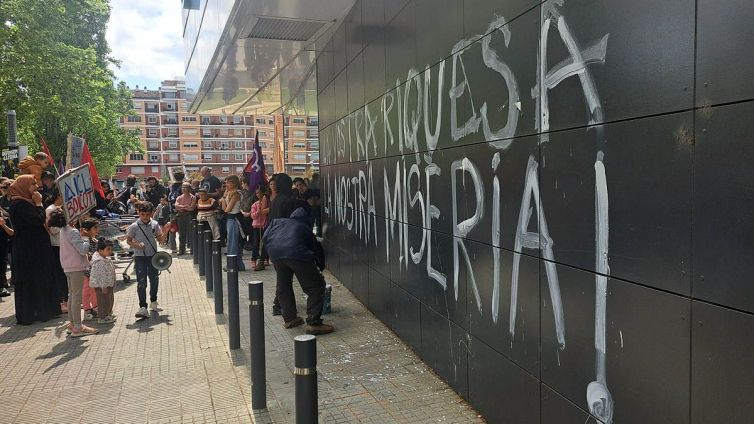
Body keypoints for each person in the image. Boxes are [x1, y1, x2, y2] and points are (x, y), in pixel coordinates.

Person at [264, 204, 332, 335]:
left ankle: (290, 319)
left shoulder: (277, 222)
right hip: (296, 254)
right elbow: (316, 249)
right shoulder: (304, 227)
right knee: (315, 287)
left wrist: (272, 251)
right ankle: (314, 323)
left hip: (275, 253)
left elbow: (265, 236)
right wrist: (320, 268)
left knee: (284, 286)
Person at [8, 175, 61, 325]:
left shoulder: (25, 202)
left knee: (41, 278)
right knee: (30, 280)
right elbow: (37, 220)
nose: (36, 187)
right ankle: (32, 313)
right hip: (28, 250)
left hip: (35, 248)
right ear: (23, 186)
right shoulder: (20, 204)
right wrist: (38, 204)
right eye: (32, 185)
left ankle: (44, 310)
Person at [267, 173, 310, 317]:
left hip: (275, 243)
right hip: (288, 242)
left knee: (283, 277)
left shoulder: (275, 200)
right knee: (285, 279)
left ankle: (281, 307)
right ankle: (280, 307)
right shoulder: (288, 201)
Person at [52, 209, 99, 337]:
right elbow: (83, 250)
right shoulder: (72, 231)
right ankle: (77, 327)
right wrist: (85, 237)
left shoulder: (64, 230)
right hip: (76, 267)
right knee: (76, 297)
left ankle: (73, 324)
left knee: (72, 296)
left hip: (68, 266)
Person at [126, 202, 165, 318]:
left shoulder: (155, 224)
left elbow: (161, 240)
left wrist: (166, 230)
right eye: (142, 214)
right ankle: (142, 306)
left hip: (153, 256)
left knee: (154, 279)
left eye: (147, 214)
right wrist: (136, 245)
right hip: (139, 257)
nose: (145, 217)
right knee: (141, 282)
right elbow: (128, 241)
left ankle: (153, 301)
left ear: (151, 214)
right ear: (138, 213)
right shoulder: (134, 226)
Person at [45, 188, 68, 311]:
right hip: (56, 245)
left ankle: (67, 299)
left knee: (65, 274)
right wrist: (65, 226)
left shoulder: (61, 208)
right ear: (59, 196)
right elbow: (52, 229)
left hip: (64, 244)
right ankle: (62, 301)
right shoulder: (50, 210)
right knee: (60, 274)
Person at [221, 175, 246, 271]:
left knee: (233, 243)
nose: (226, 184)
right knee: (232, 242)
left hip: (235, 220)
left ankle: (232, 265)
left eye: (228, 182)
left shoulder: (236, 194)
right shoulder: (229, 193)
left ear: (234, 183)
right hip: (230, 219)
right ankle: (238, 265)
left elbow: (227, 209)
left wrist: (223, 200)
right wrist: (224, 198)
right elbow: (224, 209)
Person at [89, 238, 116, 324]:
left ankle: (107, 314)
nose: (110, 251)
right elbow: (100, 275)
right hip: (102, 286)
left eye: (111, 249)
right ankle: (102, 317)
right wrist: (103, 286)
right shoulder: (99, 261)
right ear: (100, 250)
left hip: (108, 284)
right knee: (103, 301)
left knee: (108, 300)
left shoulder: (105, 258)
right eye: (108, 249)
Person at [80, 219, 100, 320]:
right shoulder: (83, 240)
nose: (97, 230)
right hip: (84, 270)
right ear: (87, 229)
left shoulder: (96, 241)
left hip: (93, 270)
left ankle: (95, 306)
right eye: (95, 228)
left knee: (94, 289)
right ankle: (87, 309)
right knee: (85, 290)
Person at [249, 185, 270, 271]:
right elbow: (253, 216)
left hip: (264, 225)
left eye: (260, 193)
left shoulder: (267, 202)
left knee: (265, 242)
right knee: (256, 243)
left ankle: (266, 258)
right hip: (256, 226)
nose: (258, 194)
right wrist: (258, 211)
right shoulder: (254, 204)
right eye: (257, 193)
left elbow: (266, 214)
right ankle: (254, 259)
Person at [173, 183, 196, 255]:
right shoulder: (179, 197)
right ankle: (181, 250)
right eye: (183, 187)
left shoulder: (193, 197)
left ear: (189, 189)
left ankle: (193, 250)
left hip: (189, 216)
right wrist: (186, 206)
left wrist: (181, 207)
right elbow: (176, 206)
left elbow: (191, 208)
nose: (184, 189)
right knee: (181, 234)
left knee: (191, 233)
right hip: (180, 216)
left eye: (185, 187)